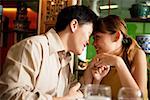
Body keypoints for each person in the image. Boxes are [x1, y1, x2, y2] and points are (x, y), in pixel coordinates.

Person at [0, 5, 97, 100]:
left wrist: (89, 74)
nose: (88, 42)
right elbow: (10, 95)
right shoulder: (32, 47)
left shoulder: (65, 59)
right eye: (88, 34)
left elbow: (75, 94)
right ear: (74, 25)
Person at [81, 15, 148, 100]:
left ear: (117, 36)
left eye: (97, 37)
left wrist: (118, 63)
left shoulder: (137, 55)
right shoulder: (100, 61)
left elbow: (138, 98)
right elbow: (88, 96)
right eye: (93, 38)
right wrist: (97, 80)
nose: (93, 43)